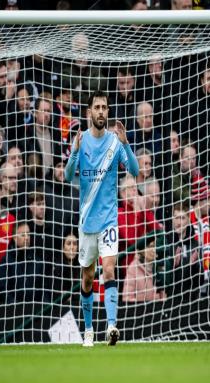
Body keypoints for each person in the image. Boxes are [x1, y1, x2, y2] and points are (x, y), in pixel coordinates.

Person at [64, 90, 139, 347]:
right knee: (87, 277)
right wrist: (75, 152)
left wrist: (126, 144)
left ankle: (111, 326)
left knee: (109, 269)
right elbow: (67, 176)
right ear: (89, 112)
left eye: (104, 107)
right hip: (87, 223)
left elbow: (135, 170)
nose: (101, 111)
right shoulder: (80, 141)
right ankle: (88, 330)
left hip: (108, 221)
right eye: (97, 107)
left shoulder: (115, 143)